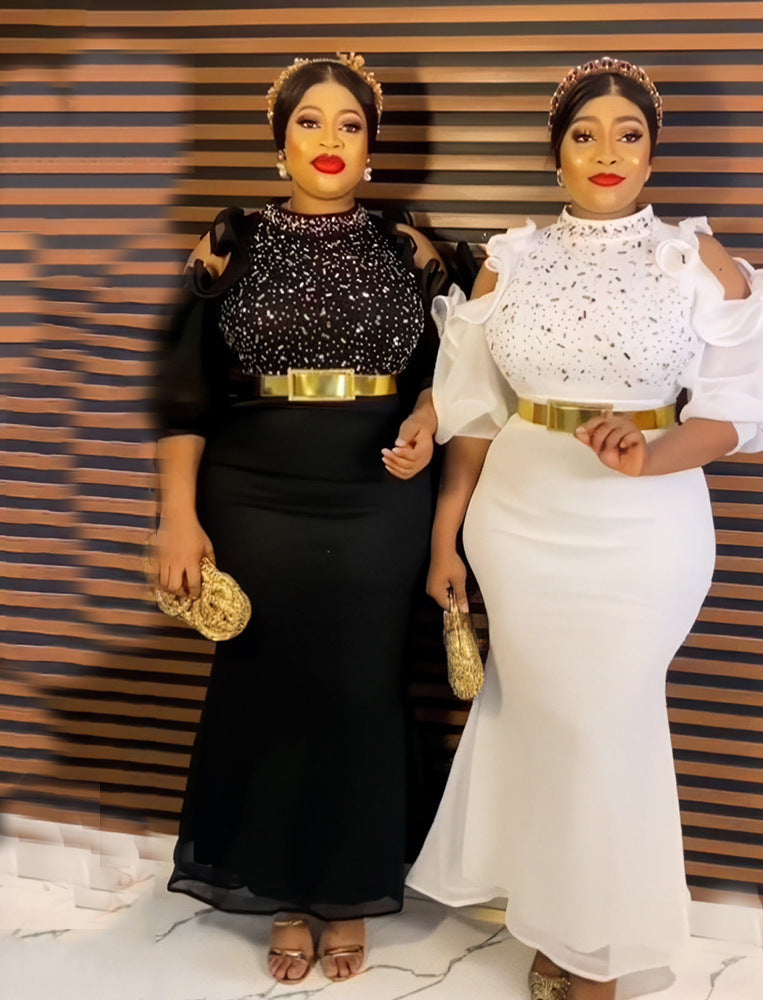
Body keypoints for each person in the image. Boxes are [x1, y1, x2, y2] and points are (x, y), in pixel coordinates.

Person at [406, 57, 763, 1000]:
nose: (606, 152)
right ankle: (560, 920)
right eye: (584, 134)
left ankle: (599, 953)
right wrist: (444, 542)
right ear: (556, 154)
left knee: (607, 722)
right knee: (544, 716)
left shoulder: (695, 256)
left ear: (653, 152)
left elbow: (737, 409)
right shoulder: (516, 255)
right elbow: (472, 413)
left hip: (646, 521)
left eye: (629, 134)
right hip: (518, 516)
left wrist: (652, 452)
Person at [153, 53, 446, 985]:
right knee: (269, 686)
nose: (328, 139)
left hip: (381, 492)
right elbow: (186, 388)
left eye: (349, 124)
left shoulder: (412, 244)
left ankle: (351, 888)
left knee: (362, 688)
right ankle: (283, 887)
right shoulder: (232, 239)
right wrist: (176, 519)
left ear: (371, 146)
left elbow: (475, 357)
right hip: (252, 490)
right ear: (280, 142)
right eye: (309, 122)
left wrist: (429, 419)